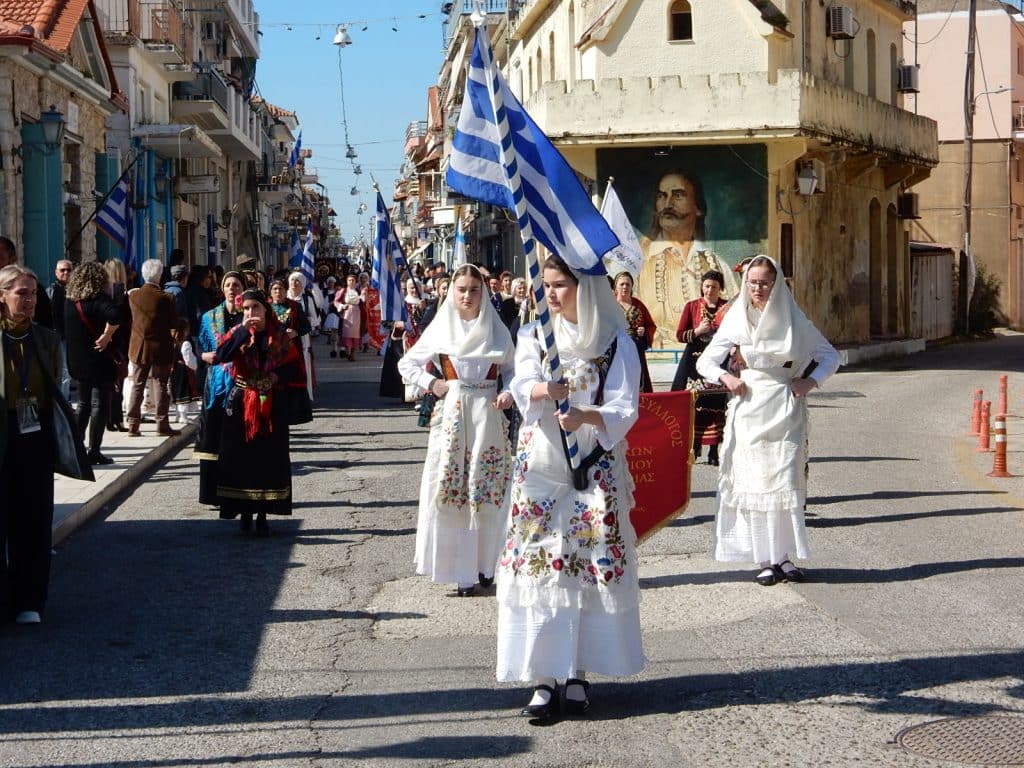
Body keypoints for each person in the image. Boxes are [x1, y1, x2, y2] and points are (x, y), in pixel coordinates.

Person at [496, 255, 643, 719]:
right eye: (547, 284)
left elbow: (626, 406)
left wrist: (586, 416)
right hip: (541, 465)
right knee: (539, 567)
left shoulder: (615, 342)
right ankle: (542, 676)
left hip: (592, 466)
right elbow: (521, 379)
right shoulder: (535, 333)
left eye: (561, 285)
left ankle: (577, 671)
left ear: (586, 288)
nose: (551, 294)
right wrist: (544, 390)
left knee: (585, 564)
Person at [696, 255, 839, 586]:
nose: (758, 288)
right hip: (749, 409)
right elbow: (706, 362)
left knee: (785, 480)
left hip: (785, 407)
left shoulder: (794, 319)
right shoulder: (737, 318)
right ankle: (764, 558)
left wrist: (810, 381)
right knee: (756, 482)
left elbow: (829, 356)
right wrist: (727, 378)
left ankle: (783, 556)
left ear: (776, 285)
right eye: (752, 282)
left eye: (764, 283)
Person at [398, 264, 515, 597]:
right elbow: (406, 363)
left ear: (483, 292)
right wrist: (432, 383)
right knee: (454, 489)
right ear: (452, 292)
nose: (467, 296)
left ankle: (488, 564)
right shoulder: (441, 328)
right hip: (453, 417)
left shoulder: (497, 330)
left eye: (474, 290)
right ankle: (461, 571)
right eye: (461, 289)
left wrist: (509, 391)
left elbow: (514, 369)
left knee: (488, 488)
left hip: (488, 417)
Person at [1, 264, 92, 625]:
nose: (29, 300)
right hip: (4, 432)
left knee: (34, 519)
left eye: (33, 294)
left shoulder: (46, 339)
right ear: (2, 296)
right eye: (21, 293)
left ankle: (30, 600)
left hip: (35, 436)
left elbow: (54, 389)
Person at [213, 288, 302, 536]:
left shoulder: (279, 334)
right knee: (242, 460)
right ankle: (244, 512)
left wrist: (275, 377)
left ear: (265, 309)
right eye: (246, 308)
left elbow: (294, 367)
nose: (251, 312)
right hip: (242, 403)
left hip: (271, 403)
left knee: (267, 460)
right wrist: (243, 330)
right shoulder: (238, 333)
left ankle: (263, 514)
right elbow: (221, 355)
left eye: (255, 307)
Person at [635, 169, 738, 348]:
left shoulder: (716, 265)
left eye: (678, 195)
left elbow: (734, 315)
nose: (668, 204)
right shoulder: (638, 262)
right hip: (657, 357)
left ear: (698, 208)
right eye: (661, 196)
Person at [64, 261, 122, 465]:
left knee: (82, 404)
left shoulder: (70, 301)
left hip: (77, 360)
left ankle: (76, 448)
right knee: (99, 404)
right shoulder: (99, 300)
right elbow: (116, 315)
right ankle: (94, 450)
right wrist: (107, 335)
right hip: (98, 359)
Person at [195, 271, 245, 506]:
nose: (232, 289)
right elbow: (200, 346)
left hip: (242, 383)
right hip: (215, 385)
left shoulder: (249, 316)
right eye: (228, 285)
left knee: (237, 438)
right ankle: (213, 493)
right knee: (213, 436)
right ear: (223, 289)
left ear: (243, 289)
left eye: (236, 285)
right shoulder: (210, 317)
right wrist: (203, 355)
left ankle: (238, 492)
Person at [672, 269, 731, 465]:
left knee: (717, 405)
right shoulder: (692, 306)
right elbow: (680, 335)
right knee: (695, 404)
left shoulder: (727, 308)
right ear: (701, 287)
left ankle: (714, 450)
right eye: (707, 286)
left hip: (719, 361)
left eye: (714, 287)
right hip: (694, 363)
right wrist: (698, 331)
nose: (710, 290)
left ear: (720, 288)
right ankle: (695, 445)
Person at [125, 259, 180, 437]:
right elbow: (174, 323)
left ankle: (133, 424)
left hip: (139, 346)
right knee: (160, 383)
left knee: (137, 384)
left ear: (143, 275)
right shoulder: (167, 298)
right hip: (161, 346)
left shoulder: (133, 296)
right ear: (160, 275)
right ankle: (162, 424)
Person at [612, 271, 656, 393]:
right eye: (622, 284)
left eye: (628, 284)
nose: (625, 287)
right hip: (616, 350)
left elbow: (651, 325)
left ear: (632, 287)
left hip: (636, 350)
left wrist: (644, 331)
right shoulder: (610, 304)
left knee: (638, 380)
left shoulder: (638, 305)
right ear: (616, 286)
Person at [104, 258, 131, 432]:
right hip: (120, 341)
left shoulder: (101, 292)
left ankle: (108, 418)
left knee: (108, 382)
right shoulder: (121, 291)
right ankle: (117, 419)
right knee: (118, 381)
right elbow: (126, 318)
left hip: (105, 339)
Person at [287, 272, 319, 398]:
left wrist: (305, 321)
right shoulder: (284, 298)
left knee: (303, 364)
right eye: (292, 280)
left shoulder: (307, 299)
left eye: (297, 281)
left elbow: (316, 320)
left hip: (302, 338)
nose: (294, 283)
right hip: (285, 339)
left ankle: (305, 396)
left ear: (303, 284)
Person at [170, 319, 199, 424]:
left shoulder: (172, 342)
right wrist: (194, 365)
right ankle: (183, 416)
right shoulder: (185, 343)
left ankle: (178, 415)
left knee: (177, 391)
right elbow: (188, 359)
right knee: (184, 391)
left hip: (174, 370)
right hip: (183, 371)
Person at [333, 275, 363, 361]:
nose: (351, 282)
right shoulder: (343, 291)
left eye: (353, 280)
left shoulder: (358, 291)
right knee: (347, 333)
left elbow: (362, 302)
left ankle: (352, 354)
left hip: (357, 314)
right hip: (347, 313)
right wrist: (342, 306)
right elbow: (336, 301)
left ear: (355, 282)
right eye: (349, 280)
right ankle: (348, 352)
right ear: (347, 281)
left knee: (356, 334)